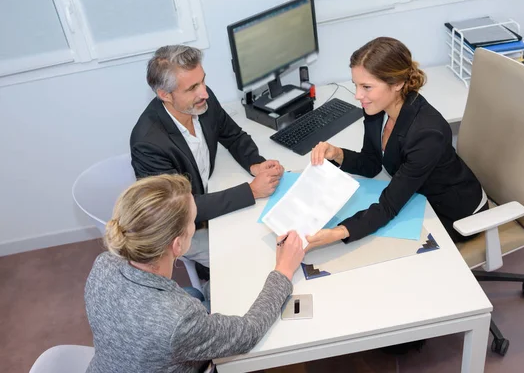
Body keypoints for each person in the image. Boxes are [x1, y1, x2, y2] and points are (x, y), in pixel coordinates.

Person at [85, 174, 304, 373]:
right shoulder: (178, 320)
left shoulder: (103, 264)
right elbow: (248, 333)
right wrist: (283, 270)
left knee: (199, 293)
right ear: (178, 245)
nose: (195, 225)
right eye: (193, 221)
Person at [307, 37, 488, 249]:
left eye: (366, 86)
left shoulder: (427, 134)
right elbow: (371, 163)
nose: (358, 95)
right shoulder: (377, 110)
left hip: (454, 213)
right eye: (356, 85)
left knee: (382, 252)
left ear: (398, 83)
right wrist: (336, 153)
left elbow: (389, 206)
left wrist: (339, 232)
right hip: (416, 196)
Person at [130, 45, 284, 270]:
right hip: (183, 227)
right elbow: (180, 207)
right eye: (192, 88)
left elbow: (232, 135)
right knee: (253, 258)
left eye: (202, 81)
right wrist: (251, 191)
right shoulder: (148, 143)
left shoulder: (201, 100)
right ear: (165, 95)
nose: (204, 92)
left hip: (210, 196)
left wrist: (256, 164)